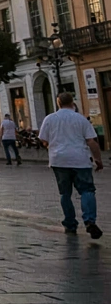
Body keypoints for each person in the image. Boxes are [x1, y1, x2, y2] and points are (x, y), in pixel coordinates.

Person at [38, 92, 103, 238]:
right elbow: (91, 141)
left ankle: (70, 223)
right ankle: (89, 221)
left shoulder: (50, 119)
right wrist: (98, 159)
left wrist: (50, 146)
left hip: (59, 160)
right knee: (87, 190)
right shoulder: (81, 119)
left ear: (58, 103)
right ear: (72, 102)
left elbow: (43, 139)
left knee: (65, 193)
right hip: (80, 159)